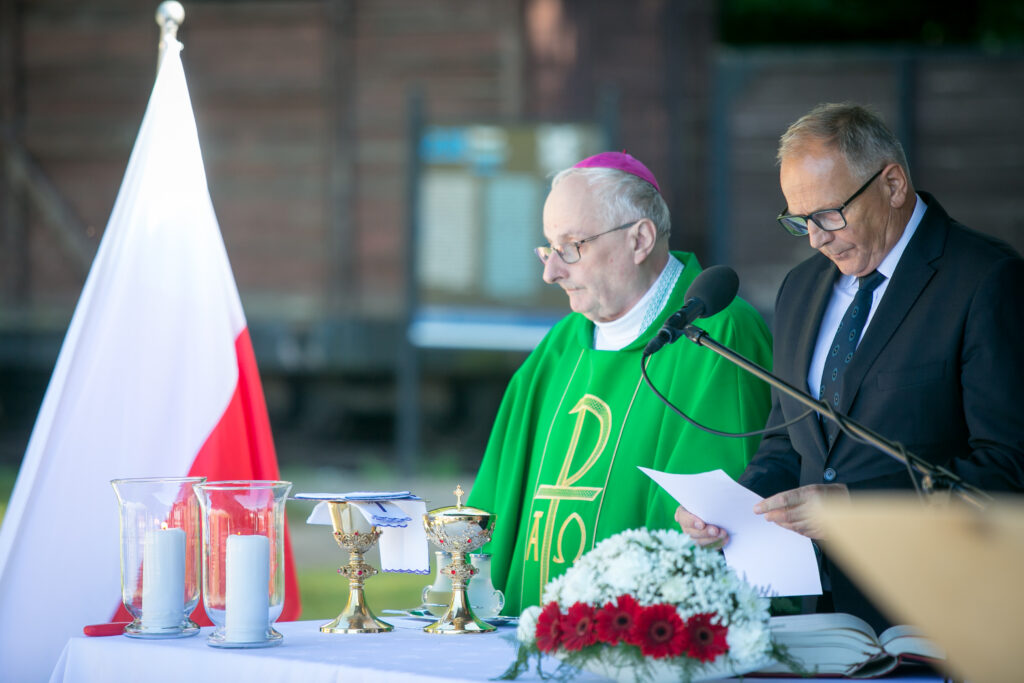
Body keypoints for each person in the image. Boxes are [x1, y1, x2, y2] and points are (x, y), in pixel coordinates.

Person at [676, 103, 1024, 632]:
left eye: (829, 214)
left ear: (893, 184)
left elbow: (1008, 468)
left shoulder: (987, 280)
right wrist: (737, 510)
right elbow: (788, 443)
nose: (816, 238)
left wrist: (856, 508)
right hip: (827, 617)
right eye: (799, 220)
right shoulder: (801, 289)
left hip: (943, 615)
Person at [467, 152, 773, 615]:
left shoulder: (719, 334)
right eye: (548, 248)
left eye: (572, 246)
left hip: (644, 641)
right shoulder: (560, 346)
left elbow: (720, 510)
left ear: (640, 239)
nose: (551, 272)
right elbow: (496, 495)